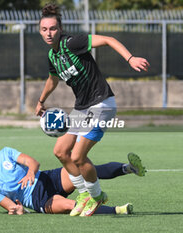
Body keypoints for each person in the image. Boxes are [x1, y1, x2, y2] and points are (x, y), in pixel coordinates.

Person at [35, 3, 149, 216]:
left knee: (78, 156)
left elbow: (108, 40)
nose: (48, 33)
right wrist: (41, 101)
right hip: (82, 108)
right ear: (39, 31)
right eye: (44, 29)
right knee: (60, 151)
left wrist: (130, 58)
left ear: (60, 29)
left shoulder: (72, 43)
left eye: (52, 28)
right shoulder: (53, 56)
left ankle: (97, 196)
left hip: (102, 104)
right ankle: (84, 194)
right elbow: (52, 80)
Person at [0, 141, 146, 215]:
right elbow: (10, 206)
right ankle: (118, 210)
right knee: (71, 206)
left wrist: (31, 172)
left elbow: (32, 162)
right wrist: (17, 209)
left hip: (46, 178)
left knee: (82, 169)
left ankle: (127, 168)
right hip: (38, 199)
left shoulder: (5, 153)